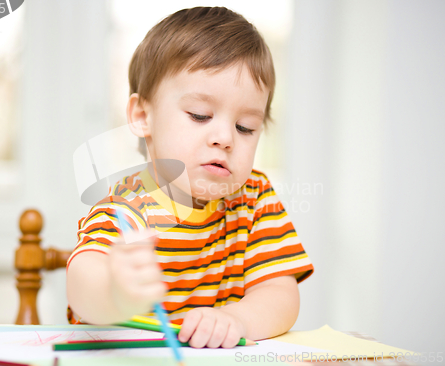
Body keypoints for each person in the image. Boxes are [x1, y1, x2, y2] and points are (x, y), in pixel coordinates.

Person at [66, 6, 313, 349]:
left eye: (246, 127)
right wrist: (114, 290)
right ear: (141, 116)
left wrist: (237, 319)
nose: (225, 137)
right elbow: (83, 284)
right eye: (200, 115)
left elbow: (280, 292)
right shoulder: (126, 208)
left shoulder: (254, 198)